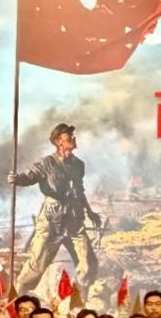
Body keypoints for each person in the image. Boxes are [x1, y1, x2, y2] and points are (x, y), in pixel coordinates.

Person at [8, 122, 101, 295]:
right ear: (59, 142)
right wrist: (17, 179)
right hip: (51, 219)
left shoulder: (78, 165)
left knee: (88, 263)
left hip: (74, 219)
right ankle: (16, 298)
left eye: (73, 135)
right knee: (37, 265)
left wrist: (90, 212)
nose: (73, 138)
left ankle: (78, 301)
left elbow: (79, 192)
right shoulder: (46, 163)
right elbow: (29, 177)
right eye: (69, 136)